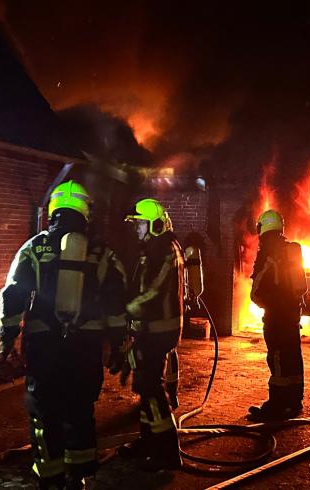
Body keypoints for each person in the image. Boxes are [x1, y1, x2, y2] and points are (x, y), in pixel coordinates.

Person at [0, 181, 127, 490]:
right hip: (85, 347)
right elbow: (117, 299)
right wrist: (119, 344)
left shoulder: (34, 247)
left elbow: (14, 293)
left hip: (45, 346)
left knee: (44, 411)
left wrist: (8, 334)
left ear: (53, 210)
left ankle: (49, 475)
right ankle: (78, 476)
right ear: (86, 211)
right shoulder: (102, 252)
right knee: (81, 408)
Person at [117, 198, 185, 471]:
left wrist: (125, 311)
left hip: (158, 331)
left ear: (156, 225)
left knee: (153, 391)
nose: (137, 230)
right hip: (151, 329)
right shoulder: (157, 248)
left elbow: (153, 292)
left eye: (141, 224)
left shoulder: (164, 251)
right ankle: (148, 442)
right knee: (145, 389)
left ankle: (167, 451)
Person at [247, 209, 307, 421]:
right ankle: (294, 402)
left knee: (278, 359)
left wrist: (264, 302)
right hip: (292, 316)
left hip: (276, 318)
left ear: (263, 228)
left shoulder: (268, 253)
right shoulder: (290, 250)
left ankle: (277, 406)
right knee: (293, 357)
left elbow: (257, 291)